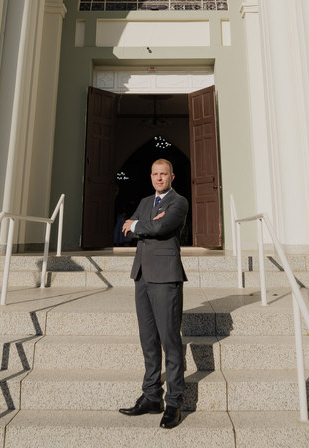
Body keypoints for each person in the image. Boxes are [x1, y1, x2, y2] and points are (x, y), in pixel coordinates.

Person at [117, 158, 189, 429]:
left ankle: (174, 402)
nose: (159, 178)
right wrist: (142, 224)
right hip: (142, 276)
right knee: (148, 339)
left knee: (170, 340)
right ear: (150, 176)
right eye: (155, 174)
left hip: (166, 277)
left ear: (172, 176)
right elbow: (129, 226)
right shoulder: (147, 202)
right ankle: (151, 396)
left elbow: (159, 227)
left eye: (164, 174)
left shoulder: (178, 202)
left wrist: (141, 225)